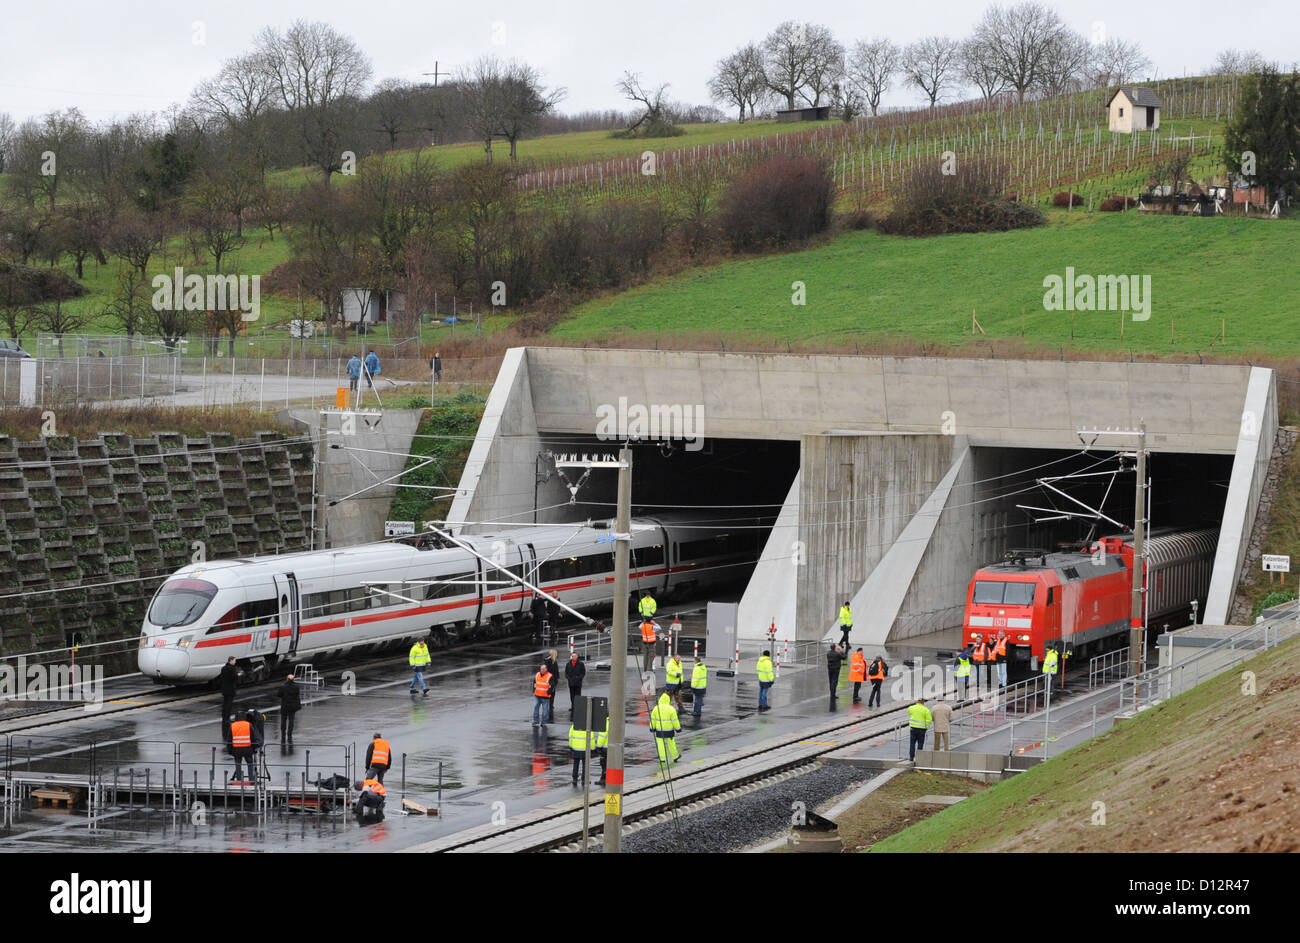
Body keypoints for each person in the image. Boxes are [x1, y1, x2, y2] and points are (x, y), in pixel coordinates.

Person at [230, 709, 261, 785]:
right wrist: (254, 748)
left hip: (236, 749)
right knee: (250, 763)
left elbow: (229, 739)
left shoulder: (233, 726)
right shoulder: (248, 725)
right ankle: (251, 780)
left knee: (238, 764)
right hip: (247, 748)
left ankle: (239, 781)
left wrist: (230, 750)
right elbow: (253, 738)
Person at [649, 692, 681, 766]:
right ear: (668, 700)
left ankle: (662, 759)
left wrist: (652, 728)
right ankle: (675, 756)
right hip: (669, 730)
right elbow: (675, 720)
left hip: (659, 731)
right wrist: (678, 729)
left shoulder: (656, 708)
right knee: (671, 744)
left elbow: (653, 719)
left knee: (660, 745)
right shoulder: (671, 709)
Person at [568, 720, 596, 786]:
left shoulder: (574, 726)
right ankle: (584, 779)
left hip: (576, 748)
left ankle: (574, 778)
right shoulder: (588, 726)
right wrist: (592, 748)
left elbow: (570, 736)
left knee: (576, 764)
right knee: (585, 765)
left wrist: (571, 746)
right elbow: (591, 739)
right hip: (585, 749)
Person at [219, 657, 239, 747]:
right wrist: (237, 675)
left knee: (225, 703)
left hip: (224, 688)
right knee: (229, 704)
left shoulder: (223, 668)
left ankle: (224, 717)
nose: (235, 662)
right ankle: (227, 719)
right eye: (234, 660)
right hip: (230, 689)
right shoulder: (232, 669)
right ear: (231, 661)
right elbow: (234, 678)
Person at [277, 673, 301, 745]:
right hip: (292, 707)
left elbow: (279, 695)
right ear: (293, 679)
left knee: (283, 721)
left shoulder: (283, 686)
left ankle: (283, 735)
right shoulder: (296, 687)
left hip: (284, 706)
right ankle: (289, 735)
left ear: (287, 679)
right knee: (291, 721)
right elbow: (297, 694)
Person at [907, 697, 933, 762]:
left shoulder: (911, 708)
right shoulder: (926, 710)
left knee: (912, 743)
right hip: (922, 730)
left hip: (913, 729)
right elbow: (929, 720)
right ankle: (918, 758)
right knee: (920, 744)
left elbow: (909, 712)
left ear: (917, 701)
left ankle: (911, 757)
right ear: (923, 702)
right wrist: (927, 727)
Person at [545, 649, 560, 719]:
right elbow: (554, 671)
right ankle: (550, 704)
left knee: (552, 692)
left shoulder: (552, 661)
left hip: (552, 679)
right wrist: (556, 678)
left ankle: (550, 704)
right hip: (551, 679)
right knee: (551, 692)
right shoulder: (550, 661)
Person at [594, 716, 609, 785]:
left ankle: (603, 779)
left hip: (605, 748)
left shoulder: (605, 723)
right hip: (612, 747)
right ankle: (608, 779)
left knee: (603, 764)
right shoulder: (614, 721)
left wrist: (598, 747)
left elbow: (602, 736)